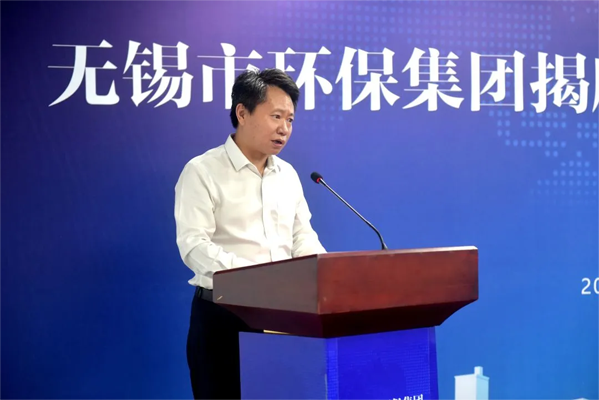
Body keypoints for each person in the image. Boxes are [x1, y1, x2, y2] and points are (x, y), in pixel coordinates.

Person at [173, 68, 326, 399]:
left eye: (290, 120)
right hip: (224, 317)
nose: (284, 129)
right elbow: (194, 245)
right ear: (242, 113)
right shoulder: (202, 171)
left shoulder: (288, 175)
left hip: (286, 315)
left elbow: (302, 236)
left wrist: (324, 274)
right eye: (276, 116)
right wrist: (255, 281)